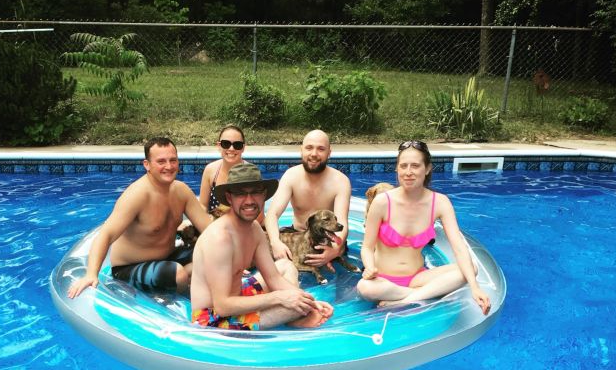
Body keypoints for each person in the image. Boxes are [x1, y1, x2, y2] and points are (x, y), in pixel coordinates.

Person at [190, 162, 334, 330]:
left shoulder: (254, 229)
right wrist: (280, 298)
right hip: (212, 318)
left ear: (264, 195)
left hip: (238, 297)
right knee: (292, 306)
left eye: (256, 192)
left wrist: (310, 302)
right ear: (229, 198)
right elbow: (222, 306)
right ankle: (293, 316)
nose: (249, 201)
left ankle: (294, 316)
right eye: (241, 194)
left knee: (286, 266)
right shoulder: (220, 239)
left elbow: (273, 278)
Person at [356, 140, 491, 314]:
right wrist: (369, 267)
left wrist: (475, 287)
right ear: (397, 168)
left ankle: (406, 299)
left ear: (427, 169)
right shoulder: (382, 202)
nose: (408, 172)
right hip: (383, 280)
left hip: (418, 277)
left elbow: (459, 248)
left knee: (472, 269)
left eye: (415, 166)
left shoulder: (440, 202)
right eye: (403, 166)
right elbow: (367, 247)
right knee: (365, 287)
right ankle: (425, 294)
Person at [67, 136, 211, 298]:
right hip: (129, 268)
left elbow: (209, 228)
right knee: (178, 274)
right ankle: (185, 303)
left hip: (167, 257)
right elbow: (106, 235)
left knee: (214, 256)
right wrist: (91, 274)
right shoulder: (136, 195)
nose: (169, 166)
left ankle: (193, 284)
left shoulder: (181, 191)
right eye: (161, 161)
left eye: (173, 160)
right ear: (147, 164)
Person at [264, 130, 352, 280]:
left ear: (329, 153)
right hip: (297, 236)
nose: (314, 154)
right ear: (301, 150)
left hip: (328, 240)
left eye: (321, 149)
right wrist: (275, 242)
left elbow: (342, 222)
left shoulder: (340, 181)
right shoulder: (291, 176)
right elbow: (272, 214)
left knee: (337, 278)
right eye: (309, 148)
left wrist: (334, 250)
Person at [198, 125, 258, 220]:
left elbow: (258, 214)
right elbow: (202, 206)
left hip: (244, 226)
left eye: (237, 145)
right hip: (214, 224)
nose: (231, 148)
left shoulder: (251, 173)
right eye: (226, 144)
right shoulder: (210, 170)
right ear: (219, 146)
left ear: (243, 148)